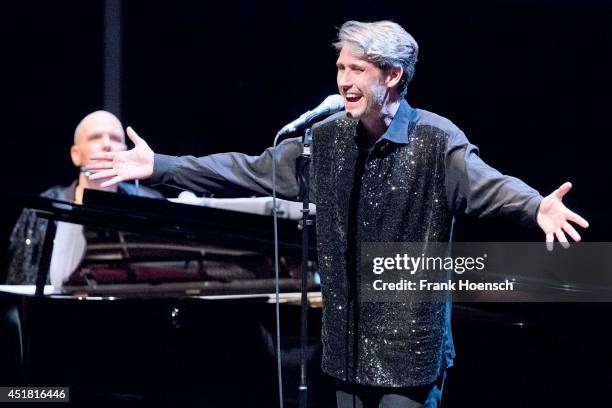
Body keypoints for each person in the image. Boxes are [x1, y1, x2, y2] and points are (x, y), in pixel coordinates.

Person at [87, 21, 588, 407]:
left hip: (409, 354)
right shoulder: (325, 139)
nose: (344, 81)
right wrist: (160, 166)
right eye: (341, 68)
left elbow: (488, 184)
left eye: (357, 71)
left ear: (393, 76)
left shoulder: (435, 141)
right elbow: (246, 170)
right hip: (344, 348)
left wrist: (534, 206)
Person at [6, 110, 163, 285]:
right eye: (95, 137)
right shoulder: (44, 209)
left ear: (126, 151)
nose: (106, 145)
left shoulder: (149, 204)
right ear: (76, 154)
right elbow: (19, 282)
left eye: (115, 138)